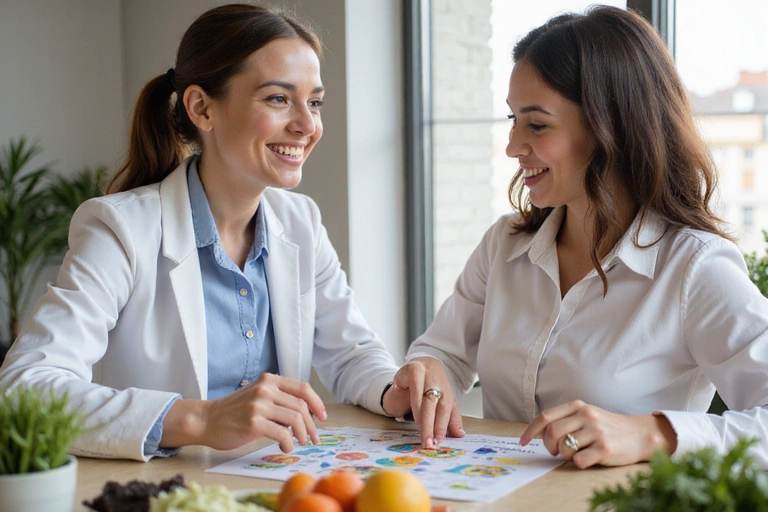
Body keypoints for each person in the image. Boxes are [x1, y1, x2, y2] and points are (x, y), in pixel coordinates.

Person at [0, 4, 399, 461]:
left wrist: (394, 390)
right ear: (201, 108)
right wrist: (201, 420)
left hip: (271, 479)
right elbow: (23, 389)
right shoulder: (120, 229)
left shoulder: (300, 222)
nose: (308, 126)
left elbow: (351, 354)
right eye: (278, 99)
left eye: (315, 102)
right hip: (162, 487)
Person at [381, 5, 768, 468]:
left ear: (611, 126)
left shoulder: (694, 267)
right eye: (512, 119)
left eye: (537, 124)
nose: (512, 146)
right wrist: (429, 371)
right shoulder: (504, 245)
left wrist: (652, 433)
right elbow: (441, 353)